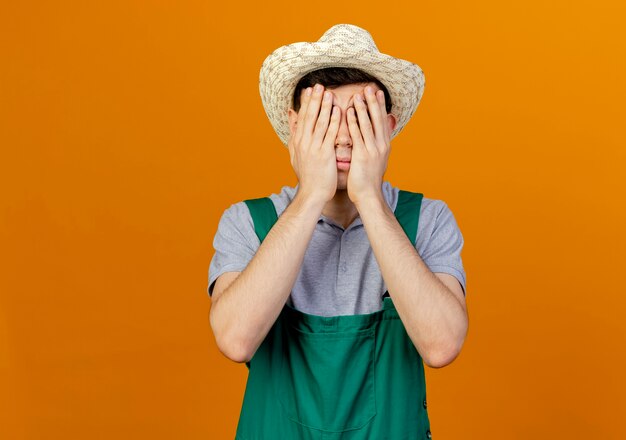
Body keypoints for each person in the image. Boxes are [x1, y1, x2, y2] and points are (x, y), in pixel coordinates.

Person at [207, 24, 468, 440]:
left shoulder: (428, 220)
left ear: (388, 126)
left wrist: (369, 197)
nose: (344, 135)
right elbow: (235, 339)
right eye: (325, 117)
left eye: (361, 118)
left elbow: (441, 346)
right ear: (295, 126)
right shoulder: (247, 223)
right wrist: (311, 194)